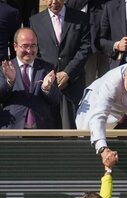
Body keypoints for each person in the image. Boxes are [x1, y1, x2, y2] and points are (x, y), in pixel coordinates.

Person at [30, 0, 91, 129]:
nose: (53, 2)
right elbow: (36, 52)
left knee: (74, 128)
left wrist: (67, 73)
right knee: (50, 127)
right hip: (47, 83)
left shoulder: (80, 18)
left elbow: (85, 48)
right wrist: (49, 76)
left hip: (73, 82)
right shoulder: (35, 21)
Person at [0, 27, 61, 129]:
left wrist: (47, 89)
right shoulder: (4, 69)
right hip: (12, 130)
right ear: (15, 46)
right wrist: (9, 82)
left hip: (41, 130)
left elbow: (56, 101)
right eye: (25, 46)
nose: (29, 50)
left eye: (33, 46)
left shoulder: (47, 68)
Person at [65, 0, 110, 85]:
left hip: (106, 41)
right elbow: (70, 6)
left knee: (107, 81)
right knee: (88, 81)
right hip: (87, 44)